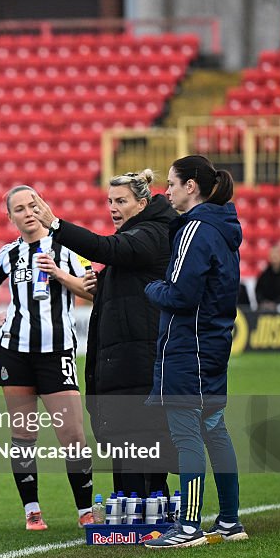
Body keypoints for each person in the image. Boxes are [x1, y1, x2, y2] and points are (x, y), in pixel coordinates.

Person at [30, 170, 178, 499]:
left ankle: (147, 508)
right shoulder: (139, 234)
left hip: (140, 360)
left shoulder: (151, 233)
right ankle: (137, 509)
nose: (112, 207)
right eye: (109, 200)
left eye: (121, 201)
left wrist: (56, 224)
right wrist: (95, 284)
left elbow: (106, 248)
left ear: (142, 203)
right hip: (125, 361)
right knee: (129, 439)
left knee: (142, 439)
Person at [143, 155, 247, 548]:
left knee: (187, 435)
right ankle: (230, 521)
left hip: (189, 347)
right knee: (216, 430)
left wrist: (152, 288)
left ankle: (188, 527)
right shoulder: (224, 229)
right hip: (214, 344)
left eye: (171, 183)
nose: (166, 191)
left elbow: (181, 294)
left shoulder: (195, 229)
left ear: (191, 187)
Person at [0, 185, 95, 530]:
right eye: (19, 209)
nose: (28, 213)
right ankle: (32, 510)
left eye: (33, 205)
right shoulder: (7, 253)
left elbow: (91, 290)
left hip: (56, 351)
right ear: (10, 216)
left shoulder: (69, 248)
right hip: (15, 352)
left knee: (72, 435)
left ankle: (85, 511)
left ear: (43, 206)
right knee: (23, 434)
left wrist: (60, 275)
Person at [255, 244, 280, 311]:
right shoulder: (264, 275)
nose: (275, 257)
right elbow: (258, 292)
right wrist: (265, 303)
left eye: (277, 254)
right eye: (273, 255)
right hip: (267, 310)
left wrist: (276, 303)